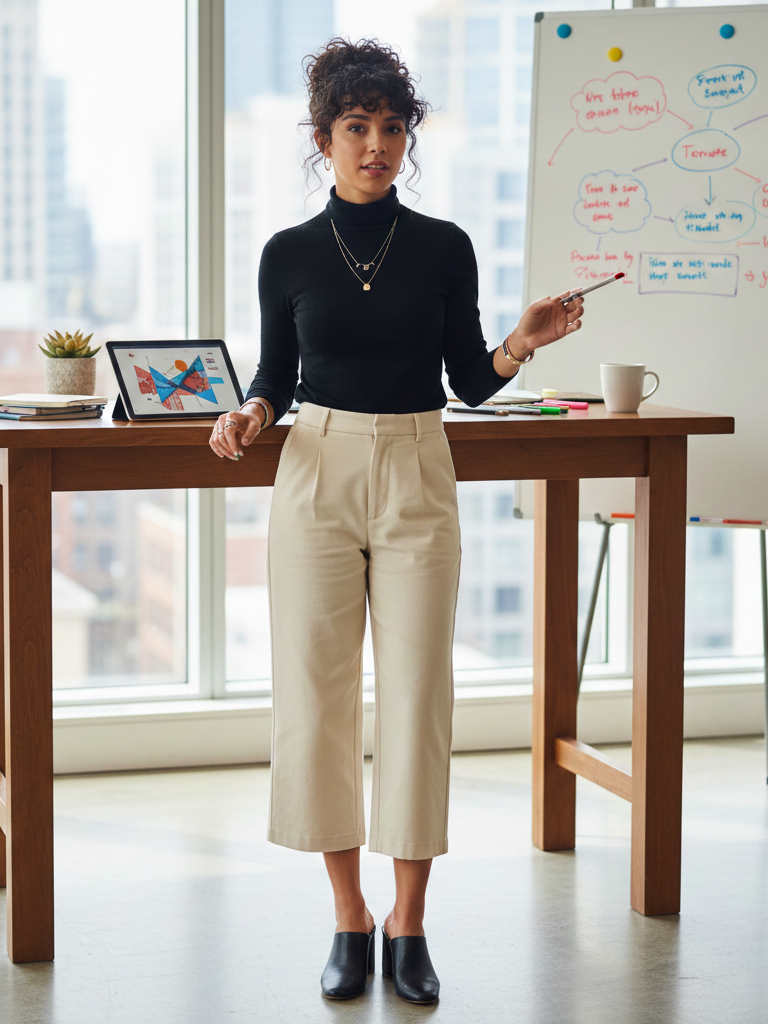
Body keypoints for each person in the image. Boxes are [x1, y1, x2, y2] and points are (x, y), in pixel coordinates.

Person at [209, 37, 585, 1005]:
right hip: (317, 467)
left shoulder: (445, 245)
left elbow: (467, 377)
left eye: (391, 127)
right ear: (324, 136)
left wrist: (521, 341)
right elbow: (274, 380)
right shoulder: (288, 253)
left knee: (418, 694)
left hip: (419, 462)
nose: (375, 144)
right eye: (356, 127)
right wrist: (248, 414)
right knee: (317, 696)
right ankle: (348, 915)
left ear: (409, 136)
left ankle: (411, 923)